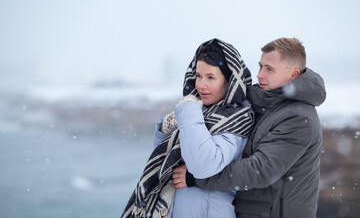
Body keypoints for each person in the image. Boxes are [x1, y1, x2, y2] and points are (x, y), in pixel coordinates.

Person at [174, 37, 327, 218]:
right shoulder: (264, 103)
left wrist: (197, 179)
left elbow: (260, 171)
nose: (260, 75)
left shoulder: (299, 119)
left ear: (293, 75)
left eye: (269, 69)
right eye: (260, 66)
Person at [121, 38, 254, 218]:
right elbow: (168, 162)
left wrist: (189, 110)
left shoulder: (235, 118)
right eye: (198, 76)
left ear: (229, 81)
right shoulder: (202, 112)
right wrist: (167, 130)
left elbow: (203, 165)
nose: (200, 85)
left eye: (210, 77)